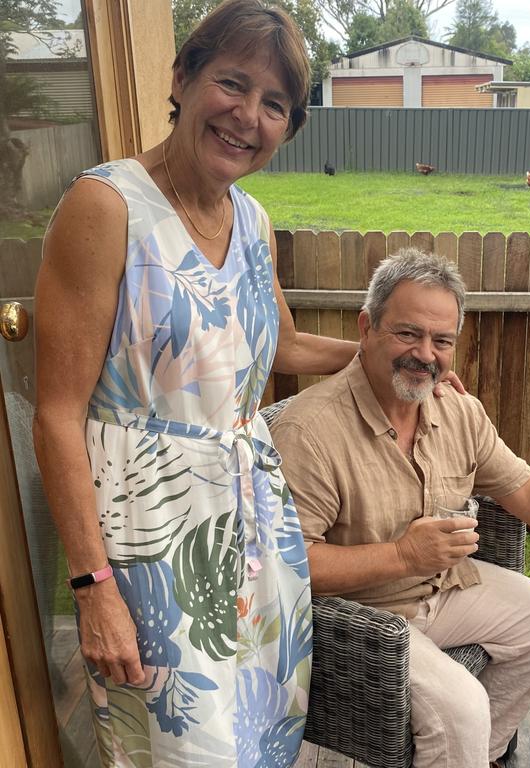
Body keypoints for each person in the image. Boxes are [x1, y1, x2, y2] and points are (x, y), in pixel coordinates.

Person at [32, 2, 363, 765]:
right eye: (233, 83)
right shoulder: (107, 207)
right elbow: (56, 415)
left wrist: (380, 357)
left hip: (252, 535)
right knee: (184, 749)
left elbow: (274, 342)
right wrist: (93, 586)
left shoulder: (252, 219)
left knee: (259, 737)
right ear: (182, 78)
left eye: (274, 104)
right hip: (150, 541)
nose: (248, 116)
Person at [271, 248, 530, 768]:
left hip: (442, 591)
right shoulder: (307, 432)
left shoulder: (457, 411)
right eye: (407, 334)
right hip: (359, 617)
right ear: (366, 327)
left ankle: (474, 758)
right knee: (464, 704)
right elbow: (286, 570)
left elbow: (525, 490)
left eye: (442, 341)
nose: (426, 355)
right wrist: (403, 556)